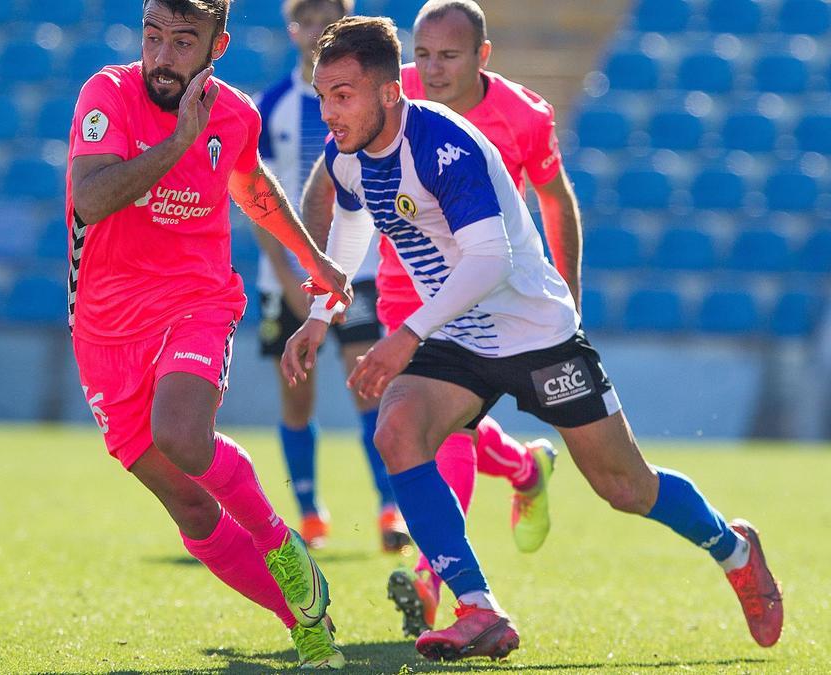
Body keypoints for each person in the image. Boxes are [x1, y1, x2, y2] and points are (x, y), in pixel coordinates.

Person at [284, 16, 783, 661]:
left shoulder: (444, 146)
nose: (329, 111)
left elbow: (488, 262)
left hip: (534, 332)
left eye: (343, 95)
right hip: (459, 332)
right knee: (398, 430)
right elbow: (352, 227)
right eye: (323, 95)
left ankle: (735, 549)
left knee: (625, 487)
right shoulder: (349, 153)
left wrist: (405, 335)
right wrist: (322, 314)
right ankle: (477, 608)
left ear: (387, 93)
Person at [65, 0, 351, 668]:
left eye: (182, 41)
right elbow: (91, 198)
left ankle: (280, 542)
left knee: (183, 435)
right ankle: (306, 619)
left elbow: (252, 189)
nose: (162, 57)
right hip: (104, 330)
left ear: (216, 46)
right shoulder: (106, 93)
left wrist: (317, 262)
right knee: (192, 509)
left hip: (198, 300)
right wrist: (177, 143)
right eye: (153, 37)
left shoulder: (237, 114)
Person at [302, 0, 574, 635]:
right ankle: (448, 585)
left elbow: (551, 206)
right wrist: (321, 308)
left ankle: (521, 477)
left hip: (495, 299)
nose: (433, 69)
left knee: (618, 481)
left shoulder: (517, 118)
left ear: (481, 56)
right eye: (421, 56)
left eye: (447, 56)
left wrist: (569, 291)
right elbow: (346, 205)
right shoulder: (376, 118)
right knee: (417, 430)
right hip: (410, 298)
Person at [253, 0, 411, 552]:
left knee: (369, 383)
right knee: (298, 398)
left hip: (357, 269)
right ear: (292, 27)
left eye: (327, 17)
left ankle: (390, 506)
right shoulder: (269, 105)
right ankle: (309, 511)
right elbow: (253, 196)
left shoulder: (364, 98)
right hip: (285, 280)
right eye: (306, 18)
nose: (315, 28)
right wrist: (281, 273)